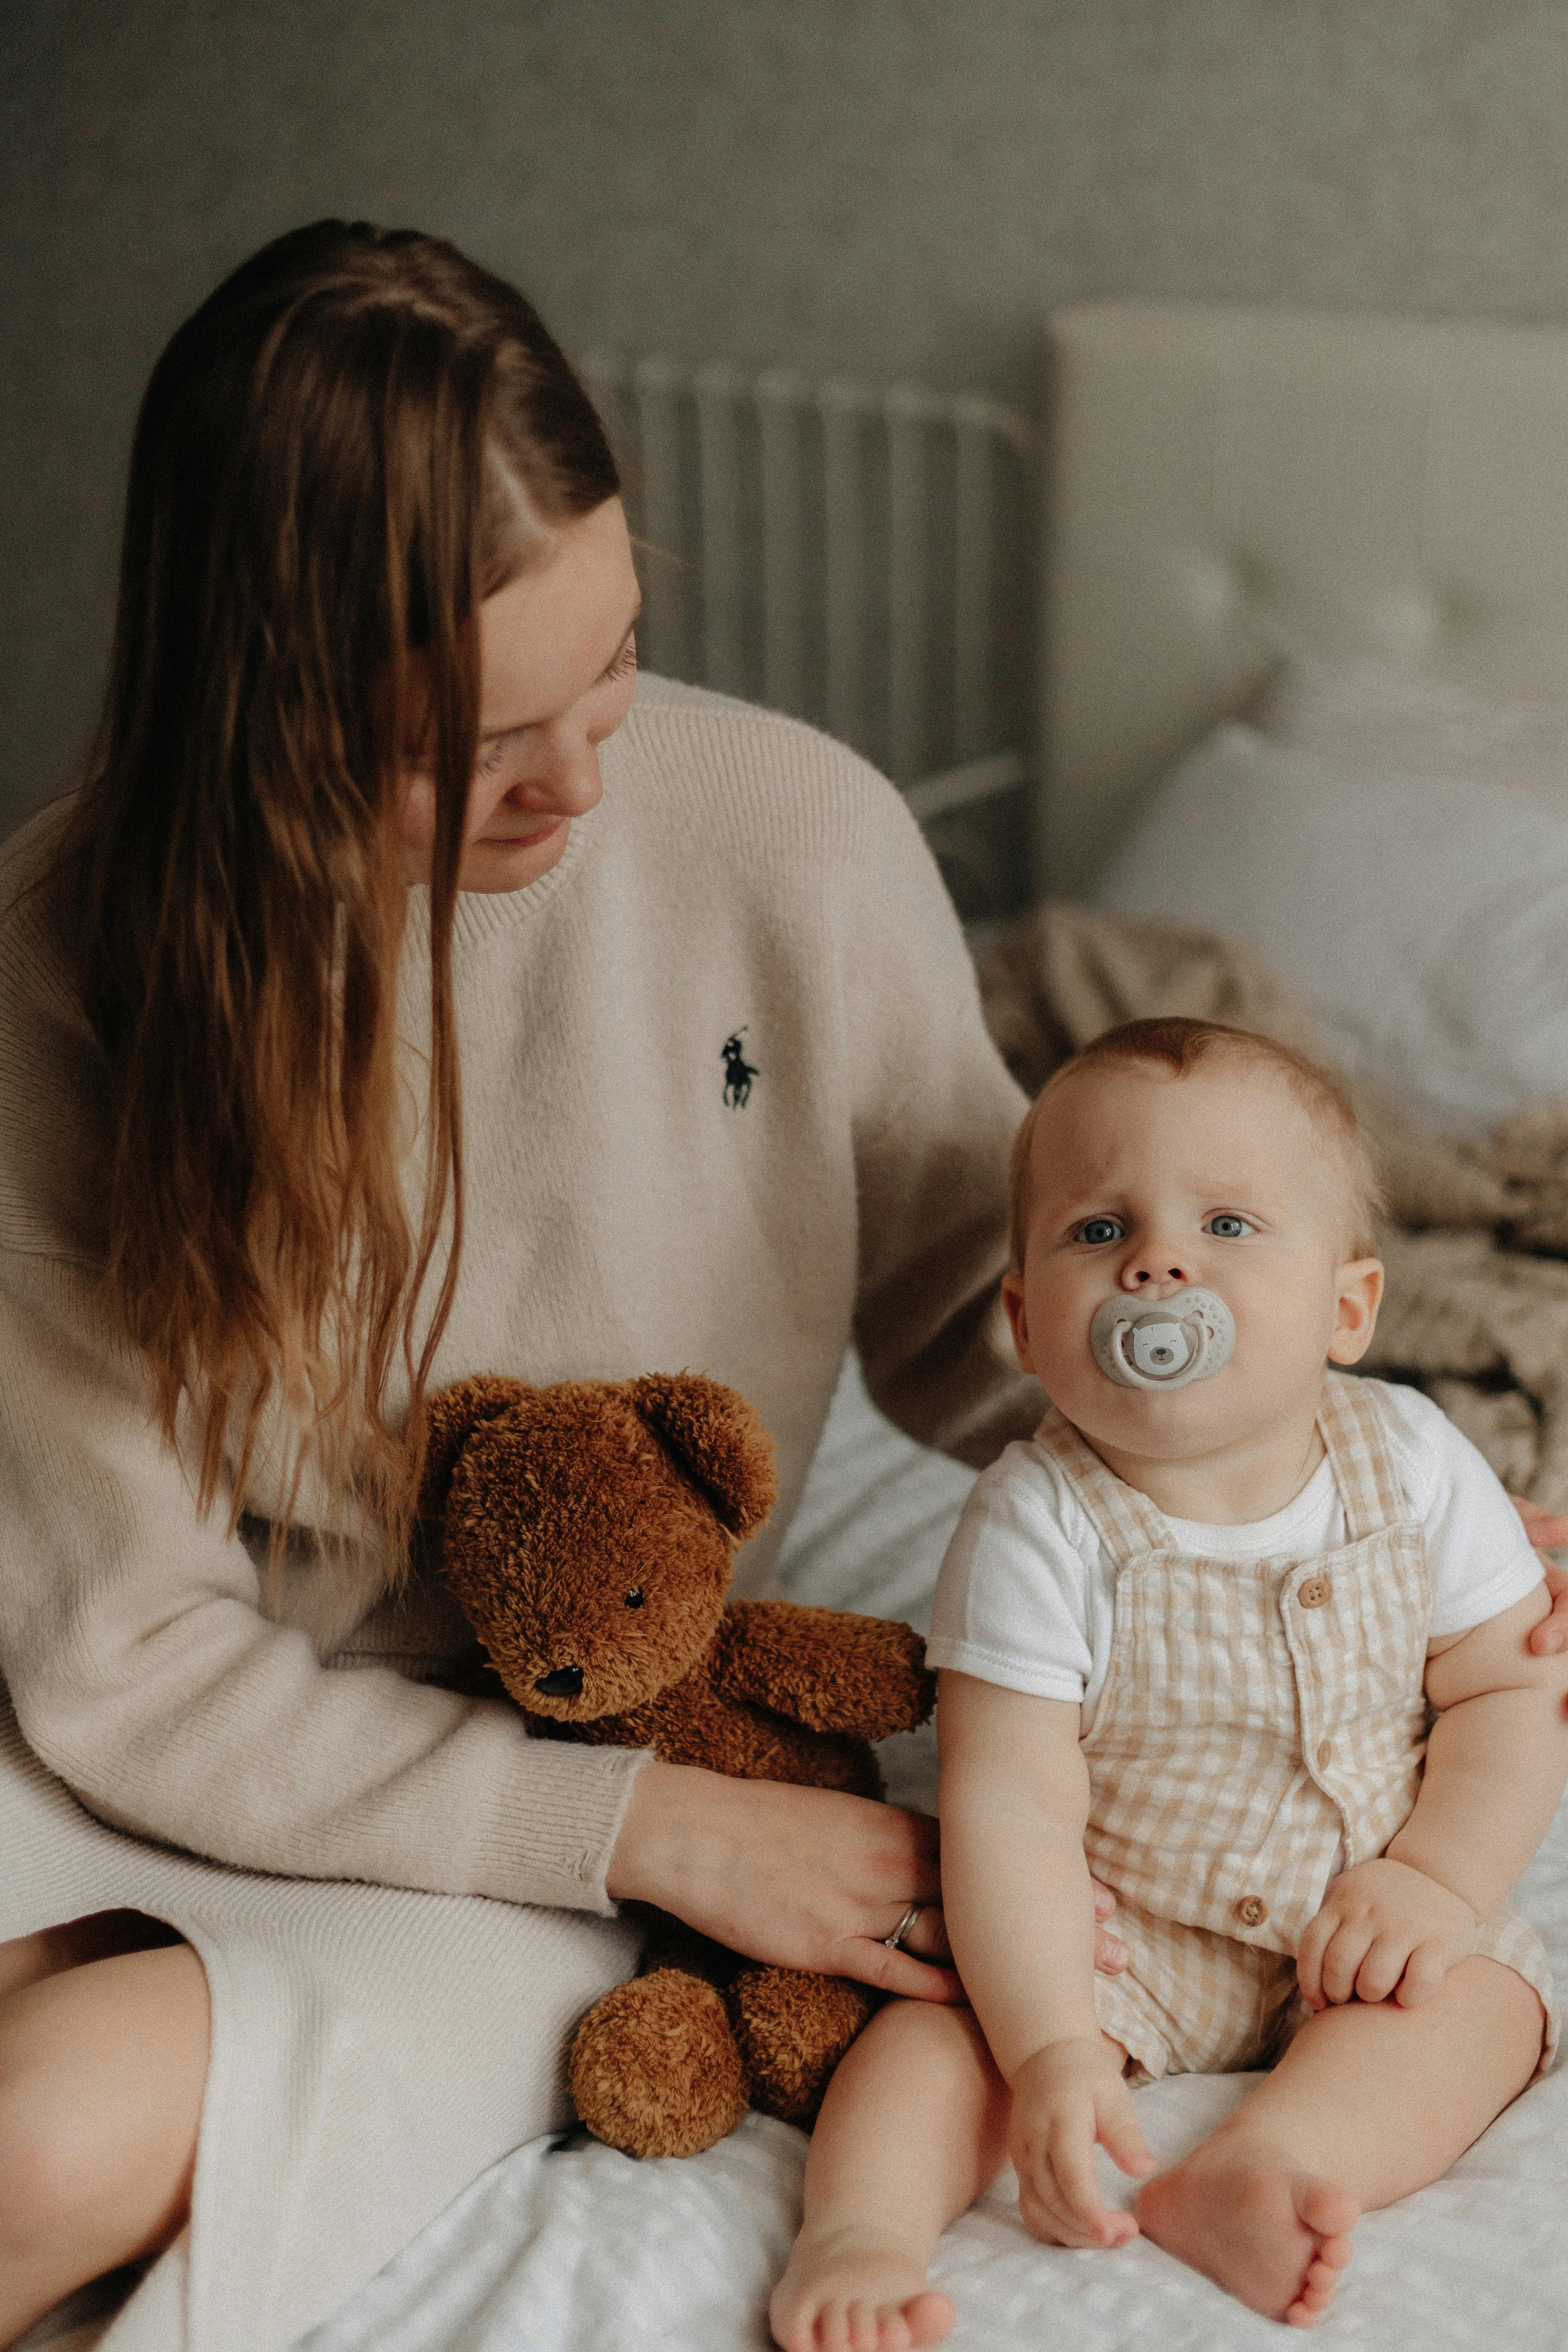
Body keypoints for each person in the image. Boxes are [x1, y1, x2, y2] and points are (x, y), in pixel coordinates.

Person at [0, 217, 1116, 2351]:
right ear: (268, 721)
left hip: (565, 1753)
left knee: (34, 2149)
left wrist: (1357, 1488)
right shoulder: (65, 974)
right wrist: (649, 1829)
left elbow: (1009, 1327)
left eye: (612, 663)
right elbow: (122, 1654)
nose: (585, 777)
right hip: (188, 1718)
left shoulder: (792, 838)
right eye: (478, 741)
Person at [770, 1018, 1568, 2352]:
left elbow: (1508, 1694)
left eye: (1232, 1225)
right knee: (941, 2035)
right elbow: (1011, 1802)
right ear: (1025, 1320)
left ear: (1349, 1309)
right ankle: (859, 2235)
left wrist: (1437, 1882)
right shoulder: (1035, 1526)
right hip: (1125, 1931)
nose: (1158, 1262)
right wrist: (1054, 2050)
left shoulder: (1421, 1463)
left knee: (1486, 2006)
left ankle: (1267, 2163)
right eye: (1097, 1231)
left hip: (1368, 1899)